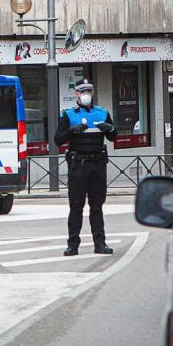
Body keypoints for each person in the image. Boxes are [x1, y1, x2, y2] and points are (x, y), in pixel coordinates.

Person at [55, 79, 116, 256]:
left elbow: (113, 136)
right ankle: (72, 245)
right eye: (82, 91)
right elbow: (57, 139)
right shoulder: (68, 115)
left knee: (97, 206)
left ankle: (100, 244)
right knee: (76, 206)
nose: (86, 94)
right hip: (78, 165)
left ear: (93, 93)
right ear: (76, 94)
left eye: (89, 90)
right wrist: (71, 130)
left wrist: (109, 128)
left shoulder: (102, 113)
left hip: (98, 164)